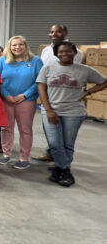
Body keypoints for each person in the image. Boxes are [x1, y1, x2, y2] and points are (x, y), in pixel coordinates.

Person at [37, 41, 107, 187]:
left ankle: (60, 169)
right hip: (51, 109)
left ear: (75, 53)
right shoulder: (48, 68)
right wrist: (49, 109)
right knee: (55, 143)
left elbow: (104, 81)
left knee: (68, 144)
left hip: (74, 111)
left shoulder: (84, 70)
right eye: (61, 52)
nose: (64, 54)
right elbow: (41, 89)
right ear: (56, 54)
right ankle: (65, 169)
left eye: (68, 51)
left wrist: (88, 92)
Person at [35, 24, 85, 162]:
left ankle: (61, 162)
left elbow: (78, 72)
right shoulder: (45, 50)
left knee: (65, 132)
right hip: (48, 95)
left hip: (66, 96)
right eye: (51, 31)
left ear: (65, 33)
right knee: (50, 128)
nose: (54, 34)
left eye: (58, 31)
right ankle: (52, 152)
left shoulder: (77, 52)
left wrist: (86, 92)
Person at [0, 36, 43, 169]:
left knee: (25, 130)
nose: (17, 47)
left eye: (20, 45)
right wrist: (6, 95)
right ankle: (6, 154)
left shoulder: (36, 61)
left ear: (25, 46)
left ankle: (24, 157)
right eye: (14, 45)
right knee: (6, 128)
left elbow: (39, 81)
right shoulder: (2, 60)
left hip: (27, 100)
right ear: (9, 47)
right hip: (6, 100)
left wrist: (25, 95)